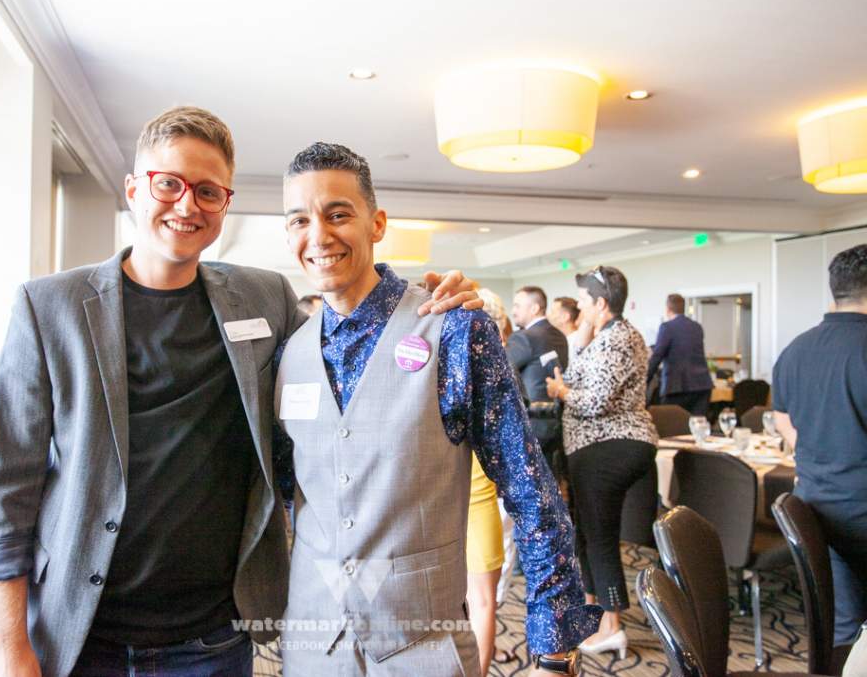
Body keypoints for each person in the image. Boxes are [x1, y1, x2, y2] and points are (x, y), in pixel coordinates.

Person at [0, 107, 479, 677]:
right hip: (82, 631)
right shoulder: (50, 308)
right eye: (169, 184)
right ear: (134, 190)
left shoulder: (264, 299)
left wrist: (429, 302)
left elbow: (349, 349)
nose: (187, 205)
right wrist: (7, 642)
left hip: (213, 637)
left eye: (208, 192)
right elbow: (7, 484)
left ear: (224, 204)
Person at [274, 142, 598, 676]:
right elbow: (287, 491)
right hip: (313, 643)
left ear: (377, 224)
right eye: (299, 220)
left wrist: (553, 654)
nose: (319, 235)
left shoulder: (454, 328)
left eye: (338, 214)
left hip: (422, 645)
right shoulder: (290, 352)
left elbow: (530, 491)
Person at [545, 265, 658, 660]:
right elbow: (581, 377)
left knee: (600, 535)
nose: (579, 307)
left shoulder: (619, 339)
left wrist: (561, 390)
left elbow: (594, 401)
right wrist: (580, 342)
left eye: (584, 301)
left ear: (602, 303)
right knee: (588, 534)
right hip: (595, 446)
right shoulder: (603, 336)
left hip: (610, 445)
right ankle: (596, 616)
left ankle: (612, 627)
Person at [773, 244, 867, 651]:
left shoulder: (795, 349)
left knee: (844, 623)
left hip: (814, 509)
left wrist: (818, 446)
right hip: (861, 508)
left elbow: (782, 420)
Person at [466, 288, 508, 673]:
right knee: (480, 600)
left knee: (480, 601)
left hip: (480, 500)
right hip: (476, 501)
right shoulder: (499, 374)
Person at [507, 286, 569, 477]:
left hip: (530, 423)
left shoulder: (524, 338)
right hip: (556, 422)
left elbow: (499, 372)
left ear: (534, 308)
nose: (513, 310)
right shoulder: (559, 336)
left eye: (517, 305)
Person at [647, 293, 713, 416]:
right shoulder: (697, 327)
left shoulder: (667, 327)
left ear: (668, 309)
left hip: (677, 387)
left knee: (672, 424)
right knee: (697, 424)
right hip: (702, 386)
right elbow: (683, 346)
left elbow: (657, 357)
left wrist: (643, 380)